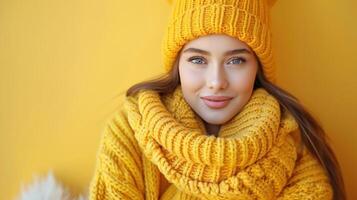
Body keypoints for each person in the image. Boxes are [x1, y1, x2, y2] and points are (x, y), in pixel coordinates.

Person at [88, 0, 346, 199]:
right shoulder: (129, 136)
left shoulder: (298, 163)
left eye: (236, 60)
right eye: (197, 60)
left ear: (258, 67)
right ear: (178, 64)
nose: (216, 81)